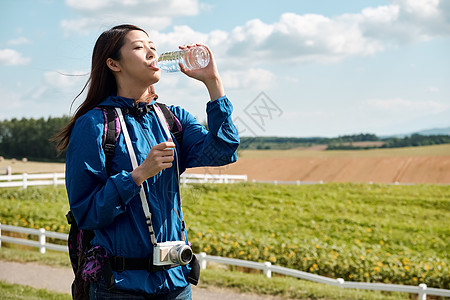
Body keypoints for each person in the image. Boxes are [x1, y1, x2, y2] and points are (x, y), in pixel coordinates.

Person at [54, 24, 239, 299]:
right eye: (140, 47)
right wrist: (137, 175)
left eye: (153, 45)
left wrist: (213, 83)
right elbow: (87, 213)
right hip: (118, 287)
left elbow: (223, 150)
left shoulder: (171, 118)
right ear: (113, 63)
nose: (152, 51)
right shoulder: (93, 125)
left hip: (175, 283)